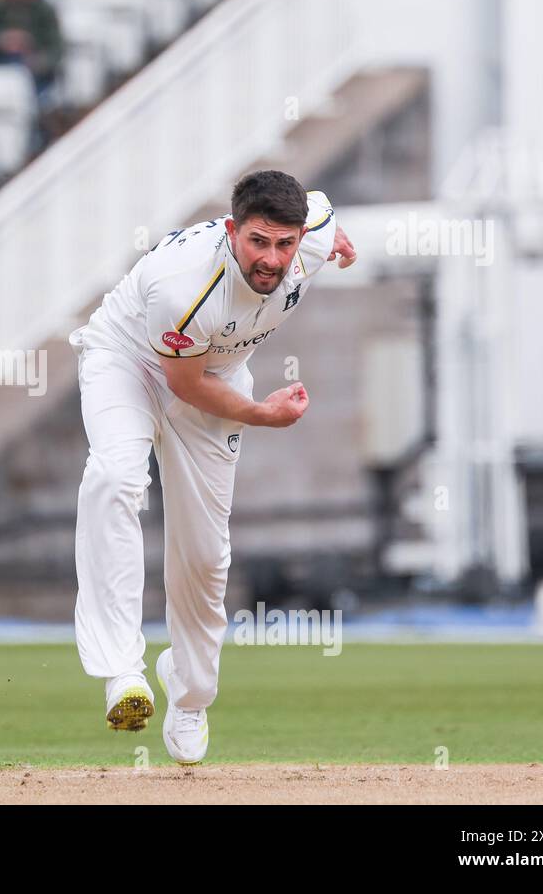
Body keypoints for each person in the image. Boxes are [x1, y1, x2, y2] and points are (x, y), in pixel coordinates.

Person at [69, 170, 358, 764]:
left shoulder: (314, 232)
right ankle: (121, 670)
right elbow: (185, 385)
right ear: (231, 231)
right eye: (257, 241)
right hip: (130, 361)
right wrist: (260, 413)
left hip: (216, 373)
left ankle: (191, 695)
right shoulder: (186, 288)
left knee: (205, 554)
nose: (271, 259)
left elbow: (327, 219)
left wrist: (340, 242)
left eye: (284, 243)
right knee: (116, 477)